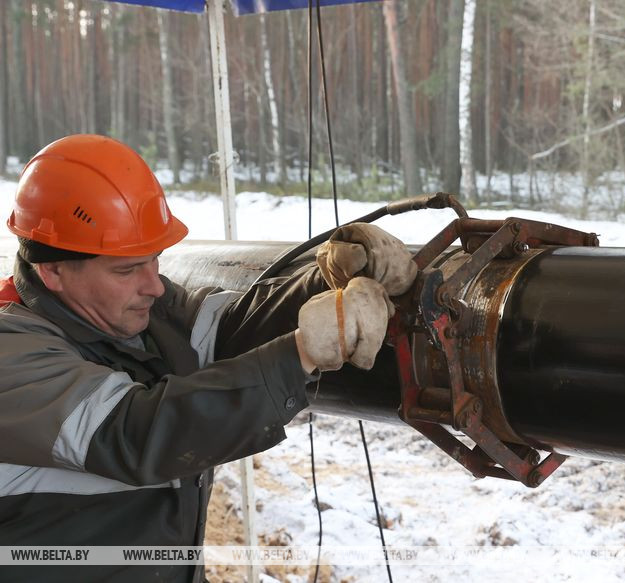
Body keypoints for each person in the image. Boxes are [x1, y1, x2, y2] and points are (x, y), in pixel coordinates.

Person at [0, 134, 418, 582]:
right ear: (53, 270)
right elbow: (136, 433)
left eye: (154, 259)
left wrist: (329, 281)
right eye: (126, 269)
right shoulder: (12, 354)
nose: (154, 285)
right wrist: (300, 352)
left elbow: (232, 332)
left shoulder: (143, 314)